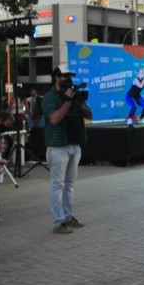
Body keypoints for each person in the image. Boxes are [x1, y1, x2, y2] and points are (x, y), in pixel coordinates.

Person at [42, 65, 93, 234]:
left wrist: (78, 101)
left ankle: (69, 217)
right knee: (58, 185)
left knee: (69, 185)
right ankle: (58, 222)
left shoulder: (73, 94)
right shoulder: (49, 98)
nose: (68, 79)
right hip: (58, 146)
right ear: (56, 78)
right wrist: (67, 101)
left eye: (70, 76)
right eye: (65, 76)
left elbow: (90, 115)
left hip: (74, 144)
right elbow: (54, 119)